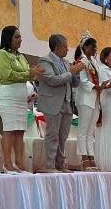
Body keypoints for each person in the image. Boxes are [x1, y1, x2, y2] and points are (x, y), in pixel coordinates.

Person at [0, 26, 43, 173]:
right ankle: (7, 163)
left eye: (20, 37)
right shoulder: (2, 54)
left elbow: (27, 74)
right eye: (17, 37)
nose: (20, 39)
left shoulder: (21, 56)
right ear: (8, 38)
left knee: (20, 131)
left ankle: (20, 163)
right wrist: (28, 73)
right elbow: (8, 74)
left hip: (21, 97)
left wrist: (34, 73)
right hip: (8, 96)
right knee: (9, 130)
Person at [36, 34, 84, 172]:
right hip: (53, 103)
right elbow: (53, 80)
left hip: (67, 102)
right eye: (65, 47)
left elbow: (74, 83)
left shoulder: (66, 62)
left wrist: (77, 72)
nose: (67, 49)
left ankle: (60, 164)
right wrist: (71, 72)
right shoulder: (45, 61)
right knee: (52, 135)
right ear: (57, 47)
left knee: (63, 136)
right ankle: (49, 165)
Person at [75, 33, 100, 171]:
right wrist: (96, 87)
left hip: (95, 98)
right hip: (85, 98)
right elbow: (82, 81)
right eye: (92, 47)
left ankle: (91, 157)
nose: (95, 49)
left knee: (91, 131)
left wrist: (102, 86)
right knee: (83, 129)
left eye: (95, 47)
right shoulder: (81, 61)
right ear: (85, 47)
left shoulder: (94, 63)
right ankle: (84, 158)